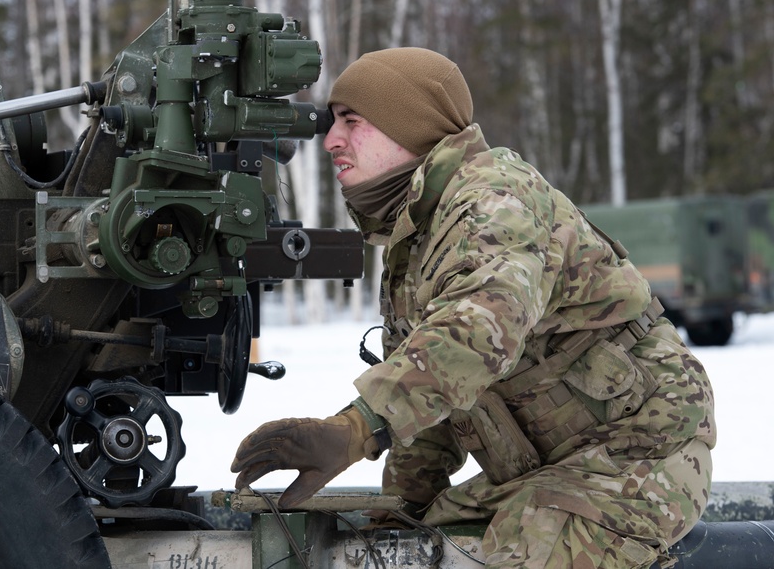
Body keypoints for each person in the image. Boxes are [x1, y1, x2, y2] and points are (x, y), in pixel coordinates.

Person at [231, 48, 716, 568]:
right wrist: (401, 510)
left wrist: (355, 429)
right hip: (546, 469)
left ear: (411, 125)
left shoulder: (493, 197)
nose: (331, 141)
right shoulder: (414, 237)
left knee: (528, 552)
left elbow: (481, 333)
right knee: (434, 538)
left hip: (639, 449)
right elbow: (431, 406)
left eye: (352, 121)